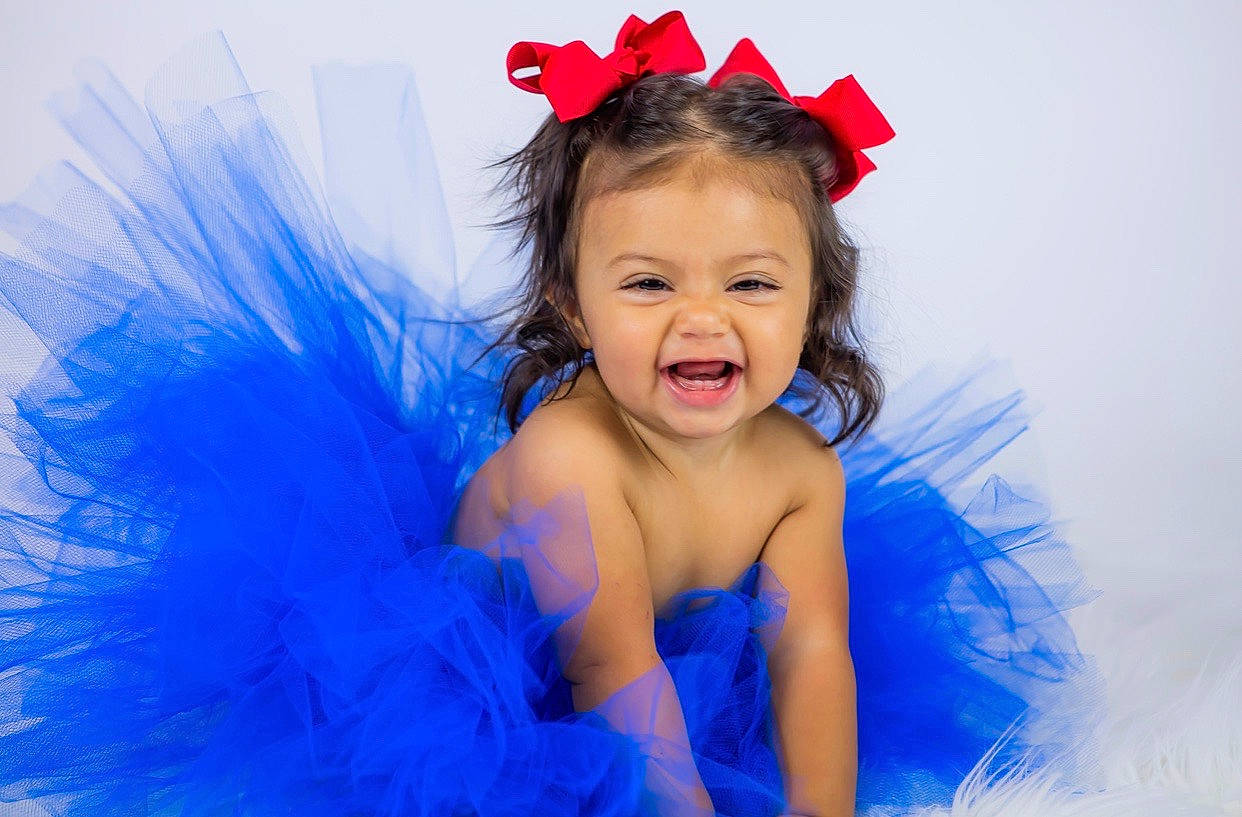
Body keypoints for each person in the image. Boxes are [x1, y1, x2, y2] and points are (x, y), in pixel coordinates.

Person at [0, 10, 1105, 817]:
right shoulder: (574, 453)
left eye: (752, 284)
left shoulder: (799, 468)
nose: (701, 321)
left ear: (818, 300)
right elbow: (613, 669)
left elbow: (813, 649)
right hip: (504, 664)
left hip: (646, 656)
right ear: (572, 305)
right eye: (649, 284)